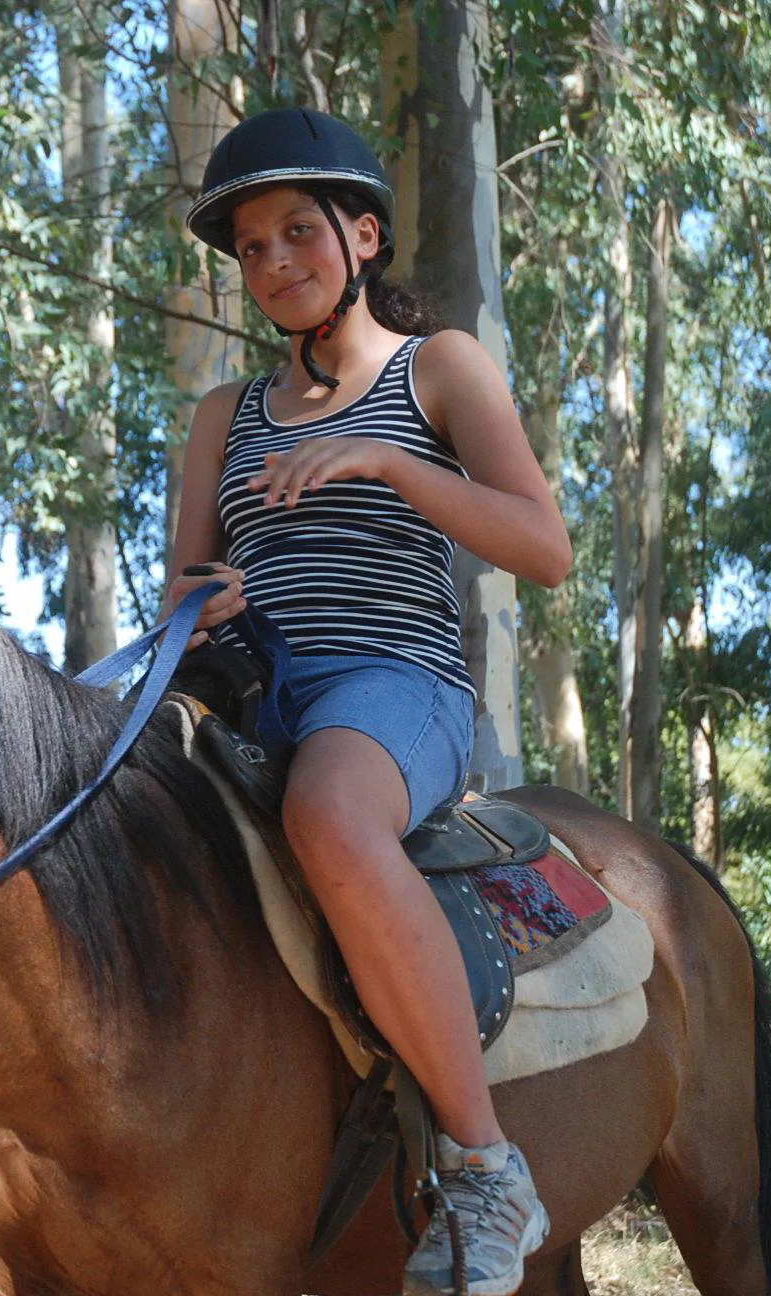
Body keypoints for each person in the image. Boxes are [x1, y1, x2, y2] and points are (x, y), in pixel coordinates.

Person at [161, 108, 573, 1296]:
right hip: (248, 703)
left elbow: (544, 549)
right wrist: (208, 597)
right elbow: (182, 588)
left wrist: (390, 461)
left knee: (332, 819)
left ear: (363, 237)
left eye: (299, 232)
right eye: (249, 247)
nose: (275, 261)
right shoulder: (219, 421)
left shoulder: (436, 369)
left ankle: (485, 1168)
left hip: (396, 691)